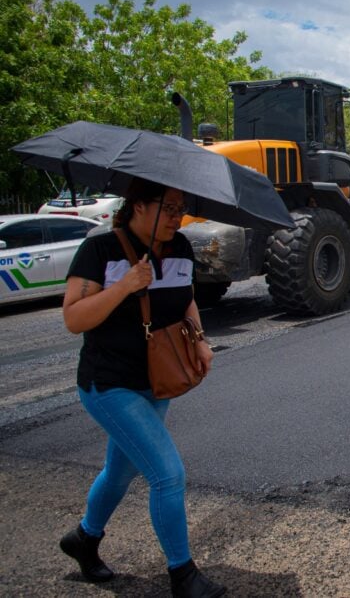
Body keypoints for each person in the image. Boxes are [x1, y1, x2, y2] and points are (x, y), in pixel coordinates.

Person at [59, 178, 224, 597]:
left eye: (181, 207)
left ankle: (84, 539)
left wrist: (200, 339)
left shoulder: (181, 247)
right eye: (168, 207)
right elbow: (74, 319)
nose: (177, 216)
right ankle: (182, 576)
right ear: (137, 206)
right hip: (108, 384)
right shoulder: (99, 249)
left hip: (156, 380)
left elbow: (185, 298)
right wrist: (126, 286)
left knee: (120, 470)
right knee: (167, 474)